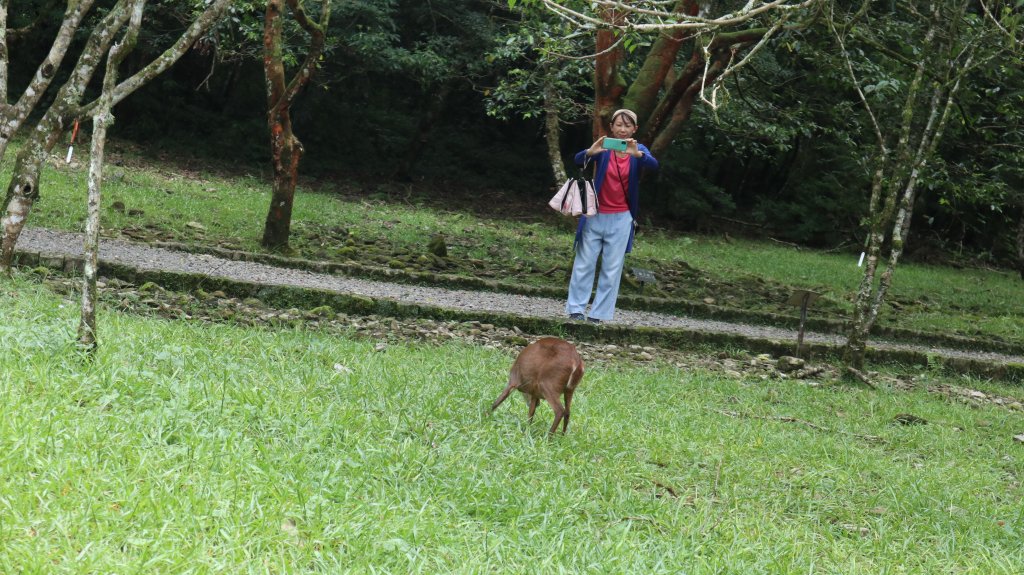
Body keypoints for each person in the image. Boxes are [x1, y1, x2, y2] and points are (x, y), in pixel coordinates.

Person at [565, 109, 659, 324]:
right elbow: (578, 160)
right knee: (584, 263)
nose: (622, 129)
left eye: (627, 126)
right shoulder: (605, 146)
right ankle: (576, 310)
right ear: (612, 127)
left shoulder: (639, 149)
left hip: (622, 217)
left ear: (634, 129)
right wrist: (591, 151)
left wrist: (638, 155)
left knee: (611, 268)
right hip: (594, 214)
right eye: (618, 125)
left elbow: (654, 165)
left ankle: (598, 315)